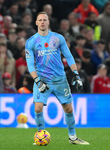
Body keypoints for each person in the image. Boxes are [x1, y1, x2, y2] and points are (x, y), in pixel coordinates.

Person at [25, 11, 89, 145]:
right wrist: (37, 81)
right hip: (42, 79)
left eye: (45, 20)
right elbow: (30, 65)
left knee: (69, 109)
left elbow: (69, 56)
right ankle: (40, 136)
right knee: (37, 108)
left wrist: (76, 74)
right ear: (36, 22)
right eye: (40, 20)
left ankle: (73, 138)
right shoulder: (31, 42)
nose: (42, 22)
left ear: (48, 22)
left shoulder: (58, 38)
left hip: (60, 79)